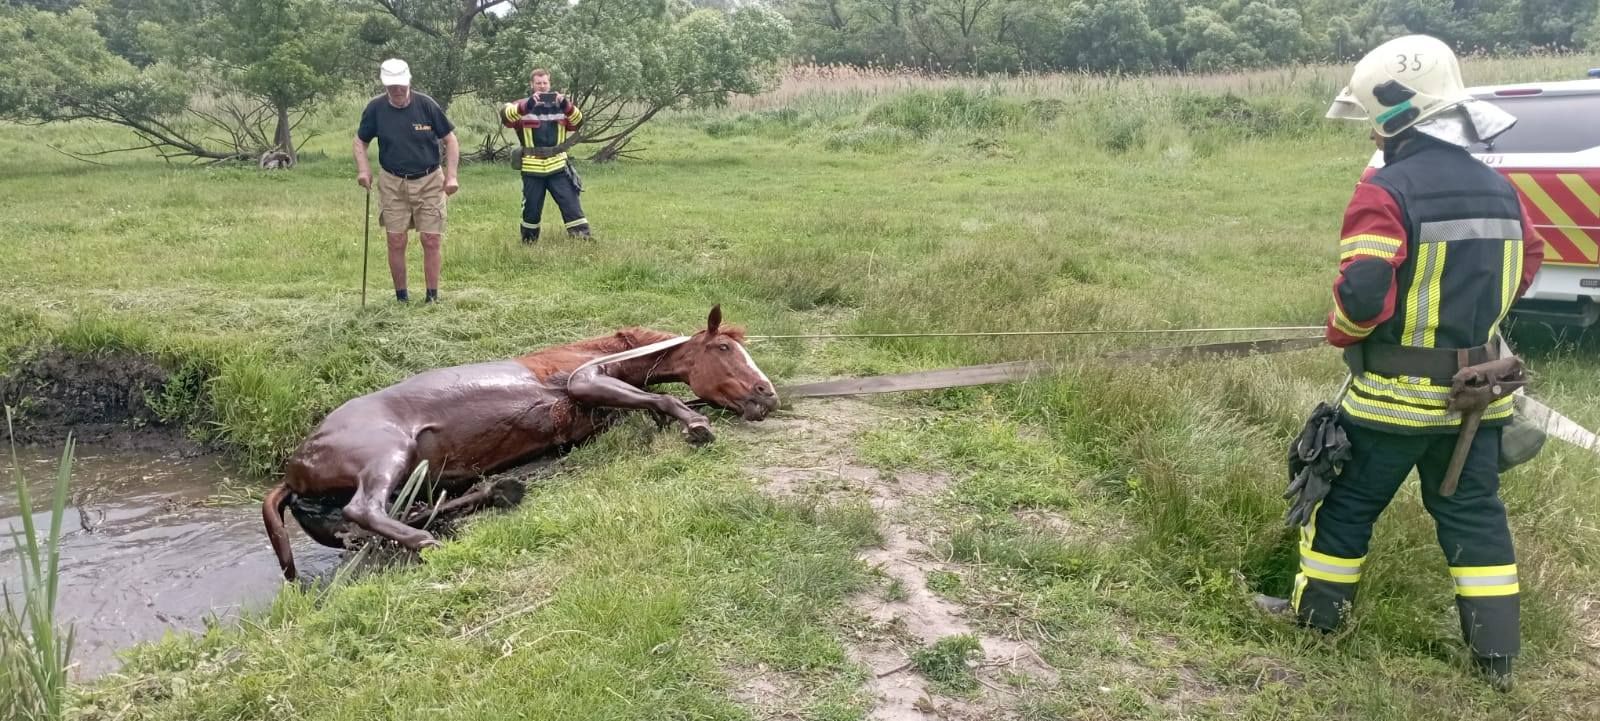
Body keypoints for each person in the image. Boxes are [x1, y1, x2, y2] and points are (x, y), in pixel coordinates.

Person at [1257, 34, 1544, 692]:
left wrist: (1347, 330)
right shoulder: (1502, 189)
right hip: (1477, 400)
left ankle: (1319, 620)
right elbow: (1526, 265)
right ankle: (1495, 659)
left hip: (1392, 400)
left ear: (1390, 118)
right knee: (1475, 515)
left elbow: (1362, 290)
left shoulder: (1386, 191)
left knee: (1347, 504)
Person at [353, 58, 460, 303]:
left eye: (401, 85)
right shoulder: (375, 109)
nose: (397, 90)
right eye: (392, 87)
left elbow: (450, 140)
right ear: (384, 86)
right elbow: (360, 141)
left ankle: (432, 297)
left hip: (430, 179)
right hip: (392, 181)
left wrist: (451, 175)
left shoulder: (427, 105)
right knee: (396, 239)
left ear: (409, 81)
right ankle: (401, 297)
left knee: (430, 238)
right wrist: (363, 170)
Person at [500, 68, 590, 243]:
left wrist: (566, 105)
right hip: (532, 168)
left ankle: (582, 240)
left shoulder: (562, 106)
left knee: (571, 204)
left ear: (550, 84)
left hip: (558, 165)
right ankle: (529, 242)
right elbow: (506, 116)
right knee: (531, 210)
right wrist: (526, 106)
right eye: (538, 83)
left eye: (545, 83)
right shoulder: (521, 106)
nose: (542, 87)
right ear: (532, 85)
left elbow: (579, 121)